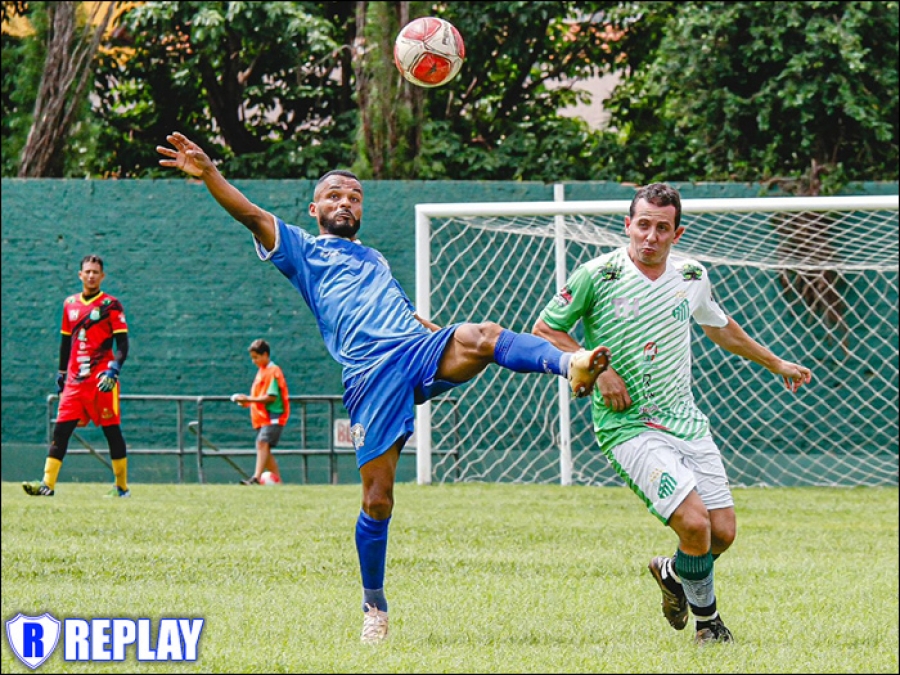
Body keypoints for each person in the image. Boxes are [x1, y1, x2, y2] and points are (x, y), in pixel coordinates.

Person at [156, 131, 611, 644]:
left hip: (414, 350)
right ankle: (374, 606)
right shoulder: (301, 250)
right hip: (369, 376)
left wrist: (428, 331)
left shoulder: (375, 259)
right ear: (315, 208)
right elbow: (252, 215)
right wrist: (211, 173)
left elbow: (398, 310)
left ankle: (569, 363)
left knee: (482, 336)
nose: (345, 201)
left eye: (354, 196)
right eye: (334, 195)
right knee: (378, 500)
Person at [532, 182, 812, 645]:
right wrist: (598, 371)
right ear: (628, 225)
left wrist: (776, 362)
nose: (651, 236)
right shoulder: (597, 274)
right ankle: (710, 627)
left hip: (685, 419)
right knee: (695, 524)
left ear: (676, 233)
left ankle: (672, 572)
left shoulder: (692, 276)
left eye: (662, 228)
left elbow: (720, 328)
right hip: (628, 425)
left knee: (721, 533)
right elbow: (546, 330)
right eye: (643, 225)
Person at [23, 254, 132, 498]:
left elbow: (123, 344)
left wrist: (113, 370)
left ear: (102, 276)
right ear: (80, 275)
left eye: (96, 272)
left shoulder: (111, 305)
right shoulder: (69, 303)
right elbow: (65, 342)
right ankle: (47, 485)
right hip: (75, 381)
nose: (91, 275)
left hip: (102, 380)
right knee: (61, 431)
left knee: (112, 431)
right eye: (87, 271)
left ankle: (122, 488)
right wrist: (61, 373)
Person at [231, 339, 291, 485]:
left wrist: (249, 400)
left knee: (262, 442)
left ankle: (256, 478)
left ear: (265, 355)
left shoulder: (273, 371)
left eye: (256, 357)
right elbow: (259, 396)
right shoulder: (262, 372)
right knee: (265, 449)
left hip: (273, 417)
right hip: (263, 418)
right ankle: (279, 483)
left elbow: (271, 397)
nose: (254, 361)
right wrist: (247, 402)